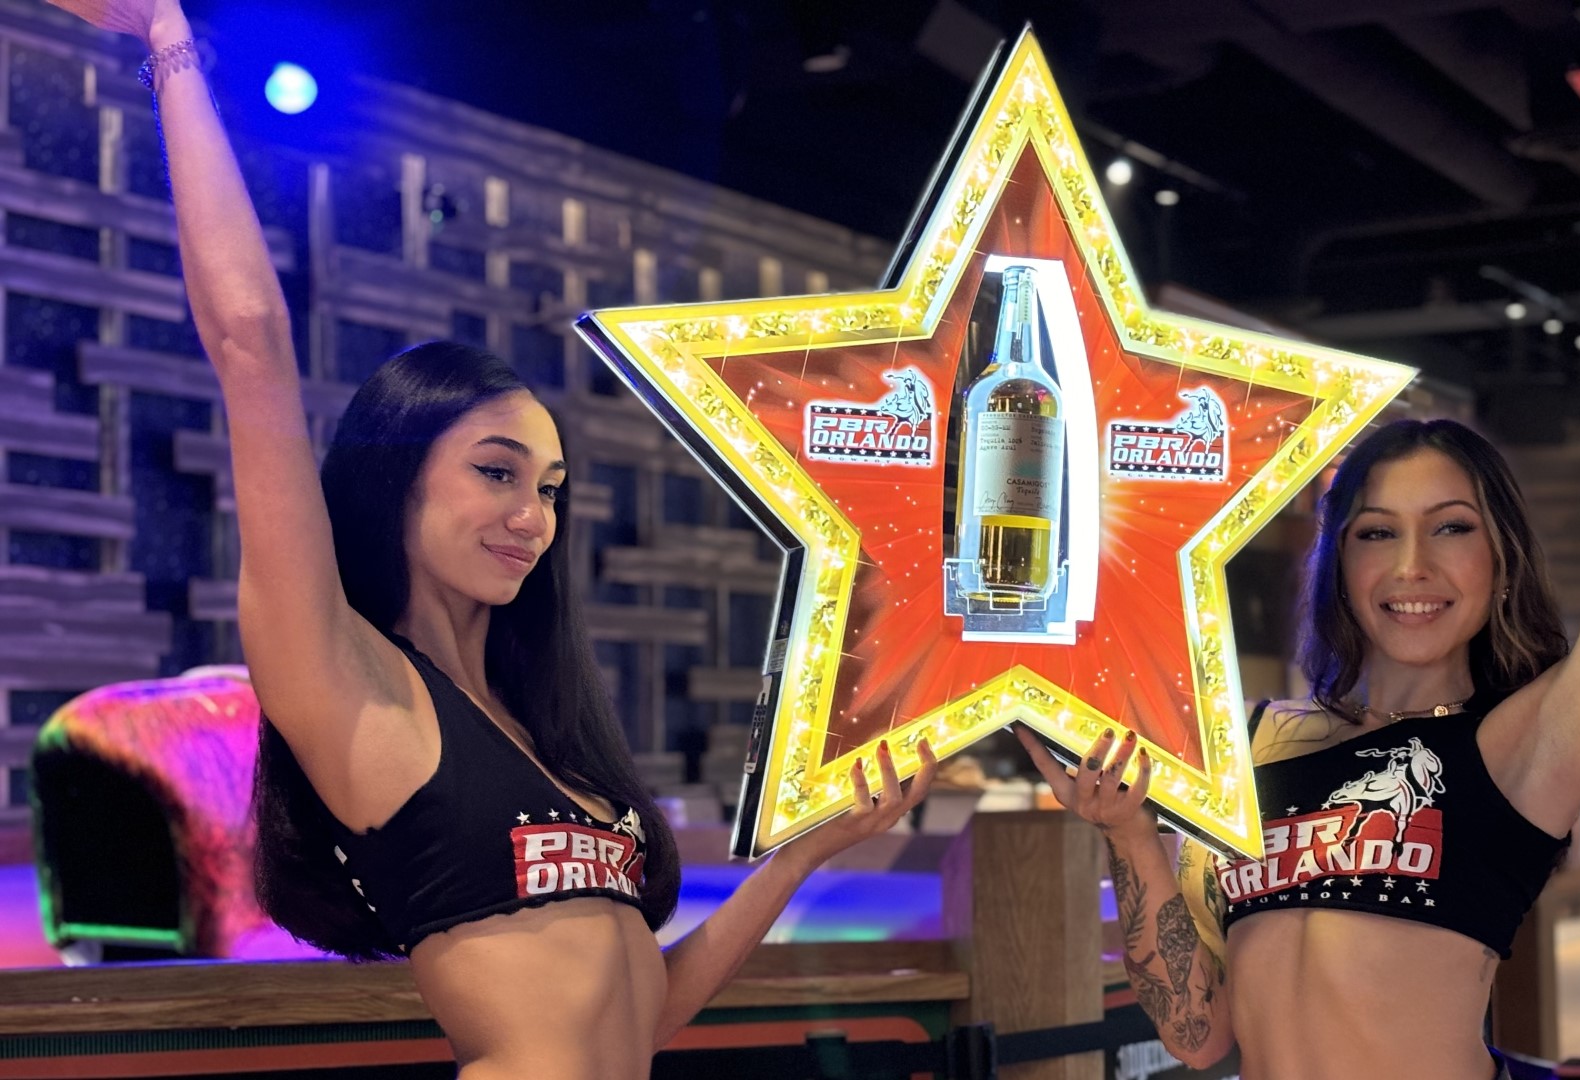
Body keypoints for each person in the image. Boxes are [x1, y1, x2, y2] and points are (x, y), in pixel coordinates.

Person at [52, 0, 938, 1075]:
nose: (534, 516)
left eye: (552, 488)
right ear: (397, 478)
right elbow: (250, 342)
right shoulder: (348, 682)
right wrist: (166, 39)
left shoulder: (541, 726)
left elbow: (638, 1012)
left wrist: (806, 855)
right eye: (496, 473)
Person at [1022, 161, 1580, 1078]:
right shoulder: (1249, 747)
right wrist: (1130, 837)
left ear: (1499, 561)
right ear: (1341, 563)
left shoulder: (1528, 745)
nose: (1413, 566)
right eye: (1378, 533)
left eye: (1452, 529)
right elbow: (1197, 1034)